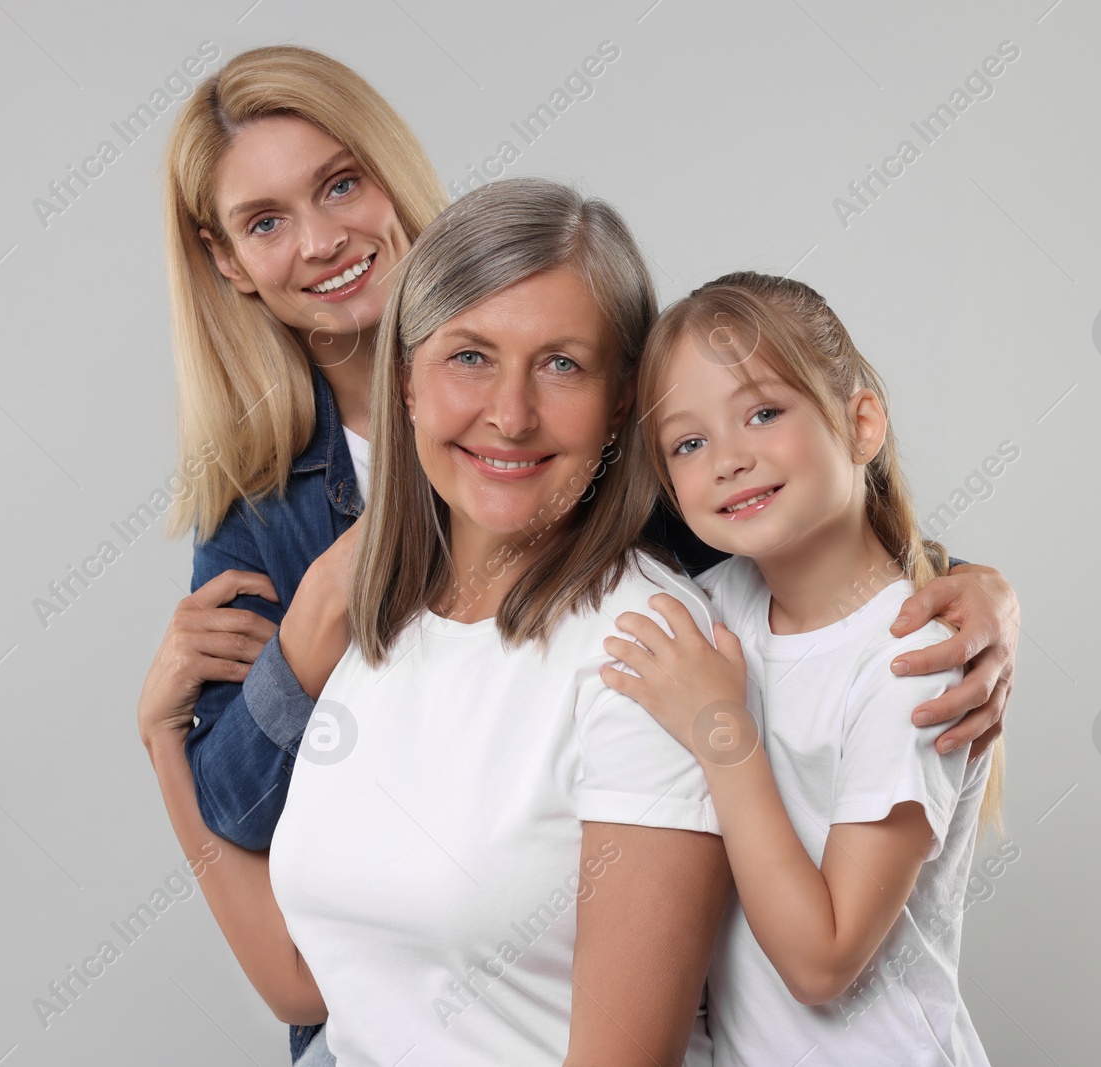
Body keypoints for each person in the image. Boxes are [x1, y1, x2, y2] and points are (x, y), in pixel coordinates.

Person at [140, 44, 1020, 1062]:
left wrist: (965, 588)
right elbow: (292, 925)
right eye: (266, 220)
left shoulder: (642, 631)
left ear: (622, 413)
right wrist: (270, 662)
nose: (321, 237)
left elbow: (783, 504)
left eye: (340, 183)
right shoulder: (294, 538)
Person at [146, 177, 733, 1066]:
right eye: (470, 356)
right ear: (408, 381)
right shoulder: (374, 619)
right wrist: (162, 740)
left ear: (621, 401)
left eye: (562, 363)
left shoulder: (644, 651)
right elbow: (307, 982)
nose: (510, 413)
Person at [601, 272, 1002, 1064]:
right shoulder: (717, 605)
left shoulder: (909, 659)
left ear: (861, 423)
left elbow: (822, 959)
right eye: (688, 442)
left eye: (763, 412)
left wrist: (724, 734)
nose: (728, 459)